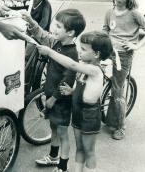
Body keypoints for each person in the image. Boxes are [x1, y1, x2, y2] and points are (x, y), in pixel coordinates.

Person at [36, 31, 113, 172]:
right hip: (78, 112)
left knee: (88, 150)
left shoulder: (94, 70)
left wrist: (50, 52)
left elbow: (72, 65)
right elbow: (82, 88)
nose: (79, 51)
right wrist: (72, 92)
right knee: (79, 148)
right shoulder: (85, 67)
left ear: (96, 54)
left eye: (83, 49)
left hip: (89, 115)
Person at [22, 8, 86, 172]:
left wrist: (53, 98)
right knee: (54, 129)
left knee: (63, 134)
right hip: (50, 95)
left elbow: (68, 80)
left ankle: (62, 167)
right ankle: (53, 157)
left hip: (61, 102)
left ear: (70, 32)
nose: (53, 28)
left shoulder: (72, 53)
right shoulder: (56, 43)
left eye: (58, 26)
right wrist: (30, 21)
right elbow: (42, 35)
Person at [103, 0, 145, 140]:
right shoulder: (109, 11)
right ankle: (108, 117)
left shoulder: (134, 13)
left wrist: (137, 46)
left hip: (123, 56)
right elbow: (105, 30)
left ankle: (121, 126)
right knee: (95, 78)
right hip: (108, 51)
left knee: (118, 91)